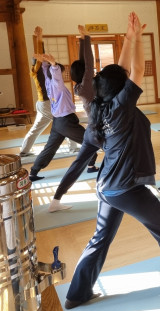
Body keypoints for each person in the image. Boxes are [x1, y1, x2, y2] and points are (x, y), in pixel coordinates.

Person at [64, 12, 160, 310]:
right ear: (120, 89)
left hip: (106, 186)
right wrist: (139, 39)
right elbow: (136, 72)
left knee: (100, 238)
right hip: (126, 188)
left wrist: (129, 38)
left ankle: (76, 294)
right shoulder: (121, 108)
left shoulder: (99, 106)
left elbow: (121, 72)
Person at [48, 25, 100, 212]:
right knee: (121, 155)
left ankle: (55, 201)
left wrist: (83, 39)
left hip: (92, 132)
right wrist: (87, 39)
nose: (91, 71)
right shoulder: (87, 86)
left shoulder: (81, 87)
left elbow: (84, 64)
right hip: (101, 131)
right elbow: (88, 64)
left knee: (78, 165)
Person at [27, 52, 94, 182]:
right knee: (89, 141)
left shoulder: (48, 83)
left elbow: (46, 71)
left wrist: (44, 62)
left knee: (50, 148)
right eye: (61, 72)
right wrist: (53, 64)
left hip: (57, 122)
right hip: (66, 121)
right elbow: (55, 74)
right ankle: (91, 165)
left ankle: (33, 172)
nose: (62, 75)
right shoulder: (57, 85)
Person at [20, 26, 77, 157]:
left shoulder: (38, 70)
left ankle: (24, 150)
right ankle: (73, 148)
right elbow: (41, 55)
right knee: (66, 123)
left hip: (42, 104)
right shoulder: (40, 71)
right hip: (47, 104)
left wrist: (39, 38)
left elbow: (41, 54)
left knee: (37, 128)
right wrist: (39, 38)